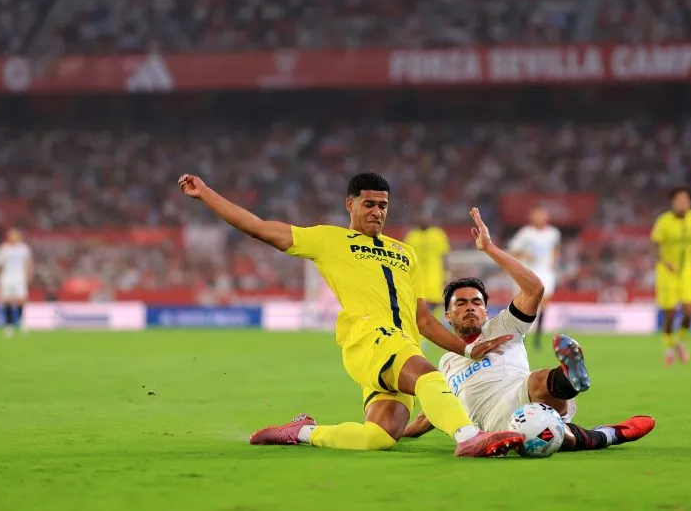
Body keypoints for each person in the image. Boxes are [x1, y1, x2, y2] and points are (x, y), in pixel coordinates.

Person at [178, 171, 525, 457]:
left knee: (381, 436)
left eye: (383, 205)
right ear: (351, 204)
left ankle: (303, 432)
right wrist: (206, 193)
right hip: (369, 337)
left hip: (402, 345)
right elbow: (258, 226)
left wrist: (465, 349)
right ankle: (468, 438)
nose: (377, 211)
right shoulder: (329, 240)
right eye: (369, 204)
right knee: (430, 376)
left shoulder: (406, 253)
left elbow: (423, 320)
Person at [402, 207, 655, 451]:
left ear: (486, 311)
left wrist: (489, 248)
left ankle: (569, 378)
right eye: (461, 303)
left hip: (528, 397)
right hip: (495, 427)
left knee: (536, 383)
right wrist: (397, 435)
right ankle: (608, 434)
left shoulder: (503, 325)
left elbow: (535, 289)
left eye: (477, 302)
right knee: (555, 436)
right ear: (447, 315)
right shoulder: (446, 362)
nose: (470, 307)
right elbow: (430, 415)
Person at [651, 186, 691, 365]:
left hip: (688, 271)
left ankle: (679, 342)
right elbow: (654, 245)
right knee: (670, 314)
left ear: (690, 202)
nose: (682, 203)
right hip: (667, 272)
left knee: (689, 311)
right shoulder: (664, 221)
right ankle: (668, 349)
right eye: (678, 200)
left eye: (685, 200)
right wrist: (664, 261)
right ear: (672, 202)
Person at [507, 206, 560, 349]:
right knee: (523, 304)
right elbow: (513, 250)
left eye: (542, 216)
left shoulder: (553, 233)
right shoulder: (525, 233)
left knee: (543, 303)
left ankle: (537, 336)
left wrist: (553, 262)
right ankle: (521, 336)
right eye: (537, 216)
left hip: (545, 272)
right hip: (527, 272)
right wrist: (525, 255)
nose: (540, 219)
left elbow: (555, 249)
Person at [0, 228, 33, 337]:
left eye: (15, 235)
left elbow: (28, 263)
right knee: (7, 301)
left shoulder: (24, 249)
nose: (14, 237)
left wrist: (28, 276)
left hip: (19, 278)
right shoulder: (4, 249)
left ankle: (21, 323)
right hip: (7, 278)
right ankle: (8, 326)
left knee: (20, 301)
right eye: (11, 235)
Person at [403, 214, 451, 315]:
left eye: (426, 218)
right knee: (418, 301)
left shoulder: (438, 234)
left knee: (437, 301)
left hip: (435, 274)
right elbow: (405, 257)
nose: (424, 220)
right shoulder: (412, 236)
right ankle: (420, 326)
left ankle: (436, 323)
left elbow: (445, 255)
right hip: (417, 275)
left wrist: (447, 273)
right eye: (421, 218)